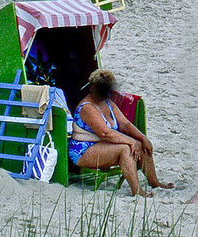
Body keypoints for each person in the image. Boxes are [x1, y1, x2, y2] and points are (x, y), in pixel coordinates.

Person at [68, 69, 172, 197]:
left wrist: (142, 138)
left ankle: (154, 182)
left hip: (103, 144)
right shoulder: (87, 107)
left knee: (142, 144)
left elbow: (125, 124)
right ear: (93, 88)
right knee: (125, 149)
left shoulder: (107, 103)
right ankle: (137, 191)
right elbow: (105, 133)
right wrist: (130, 141)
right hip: (83, 150)